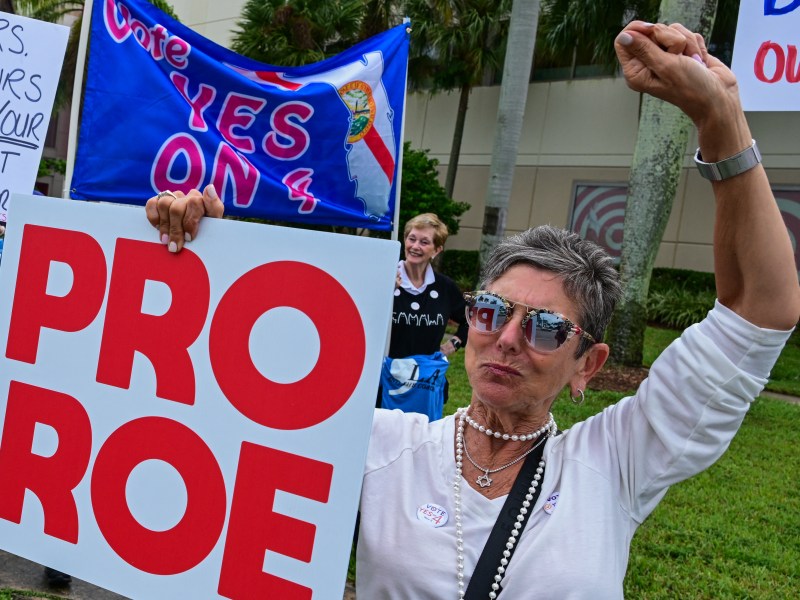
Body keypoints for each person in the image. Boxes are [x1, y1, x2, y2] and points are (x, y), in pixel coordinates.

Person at [147, 22, 800, 598]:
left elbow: (762, 307)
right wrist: (208, 256)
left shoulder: (617, 461)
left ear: (588, 363)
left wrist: (722, 120)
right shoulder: (382, 443)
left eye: (544, 327)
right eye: (491, 311)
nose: (508, 339)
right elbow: (214, 411)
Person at [380, 212, 469, 411]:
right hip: (385, 386)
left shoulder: (445, 288)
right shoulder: (384, 278)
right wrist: (384, 292)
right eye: (411, 239)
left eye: (424, 242)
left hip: (425, 386)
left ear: (436, 250)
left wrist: (453, 344)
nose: (415, 246)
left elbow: (471, 320)